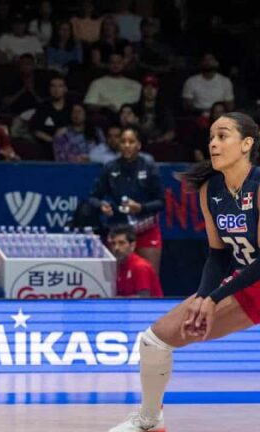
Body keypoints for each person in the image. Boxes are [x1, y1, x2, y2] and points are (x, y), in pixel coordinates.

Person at [107, 112, 260, 432]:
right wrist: (204, 296)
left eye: (223, 136)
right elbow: (218, 256)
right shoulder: (211, 190)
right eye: (211, 138)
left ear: (246, 144)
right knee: (154, 340)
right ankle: (150, 420)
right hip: (250, 284)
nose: (213, 144)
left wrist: (215, 296)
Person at [89, 126, 164, 274]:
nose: (127, 145)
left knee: (149, 276)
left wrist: (140, 207)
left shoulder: (149, 167)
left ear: (139, 145)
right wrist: (102, 206)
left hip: (146, 229)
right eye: (123, 141)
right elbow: (93, 198)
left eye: (131, 141)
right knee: (116, 281)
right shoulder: (110, 168)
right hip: (119, 231)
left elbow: (161, 202)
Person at [108, 224, 163, 298]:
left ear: (132, 245)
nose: (116, 248)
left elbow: (144, 298)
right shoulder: (118, 265)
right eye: (113, 244)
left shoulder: (140, 267)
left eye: (121, 243)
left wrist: (118, 301)